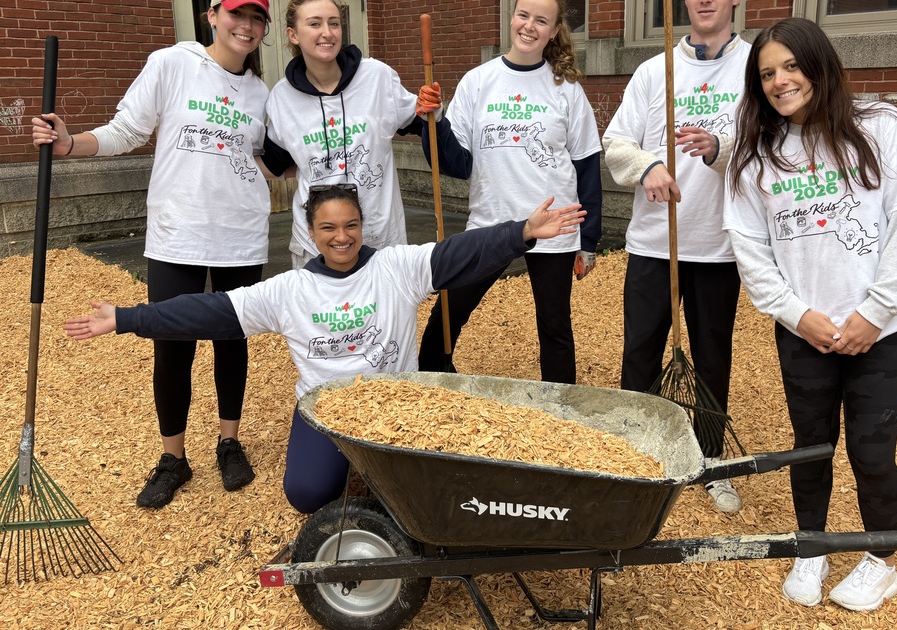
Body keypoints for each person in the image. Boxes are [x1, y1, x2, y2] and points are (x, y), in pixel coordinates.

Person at [64, 185, 585, 514]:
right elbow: (209, 311)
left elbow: (460, 253)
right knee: (308, 495)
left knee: (428, 496)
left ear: (363, 225)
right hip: (326, 408)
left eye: (351, 225)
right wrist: (129, 318)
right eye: (329, 228)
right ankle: (357, 468)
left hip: (401, 404)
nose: (342, 237)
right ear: (310, 232)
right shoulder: (288, 290)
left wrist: (522, 233)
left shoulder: (395, 268)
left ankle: (386, 477)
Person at [31, 0, 273, 509]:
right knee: (173, 347)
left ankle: (229, 442)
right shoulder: (172, 64)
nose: (246, 25)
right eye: (237, 14)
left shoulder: (261, 93)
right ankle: (173, 457)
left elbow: (273, 156)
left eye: (257, 18)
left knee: (231, 342)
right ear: (212, 15)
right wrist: (71, 143)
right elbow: (126, 130)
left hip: (240, 234)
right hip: (177, 234)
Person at [723, 17, 897, 611]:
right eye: (766, 73)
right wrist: (797, 315)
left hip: (885, 331)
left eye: (791, 65)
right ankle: (811, 544)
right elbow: (751, 251)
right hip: (805, 332)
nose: (779, 81)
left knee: (872, 451)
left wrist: (875, 312)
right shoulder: (756, 156)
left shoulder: (879, 128)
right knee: (811, 444)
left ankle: (879, 556)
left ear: (819, 63)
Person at [601, 0, 748, 513]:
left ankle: (710, 460)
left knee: (712, 355)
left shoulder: (753, 66)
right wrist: (649, 167)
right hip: (653, 242)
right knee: (640, 348)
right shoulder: (654, 70)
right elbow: (615, 142)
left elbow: (769, 147)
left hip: (716, 242)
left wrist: (719, 146)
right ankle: (634, 451)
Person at [415, 0, 602, 384]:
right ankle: (432, 377)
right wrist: (433, 121)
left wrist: (589, 240)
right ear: (511, 17)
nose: (529, 26)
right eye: (523, 15)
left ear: (554, 31)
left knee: (554, 325)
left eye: (541, 20)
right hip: (492, 219)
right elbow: (454, 163)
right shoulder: (478, 81)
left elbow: (587, 163)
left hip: (554, 223)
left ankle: (561, 404)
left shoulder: (565, 87)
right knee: (451, 307)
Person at [260, 0, 422, 268]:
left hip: (379, 237)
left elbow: (423, 123)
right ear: (293, 35)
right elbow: (275, 163)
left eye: (333, 23)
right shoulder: (282, 97)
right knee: (319, 313)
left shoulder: (377, 77)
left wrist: (434, 109)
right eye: (314, 23)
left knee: (386, 311)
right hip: (315, 243)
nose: (327, 32)